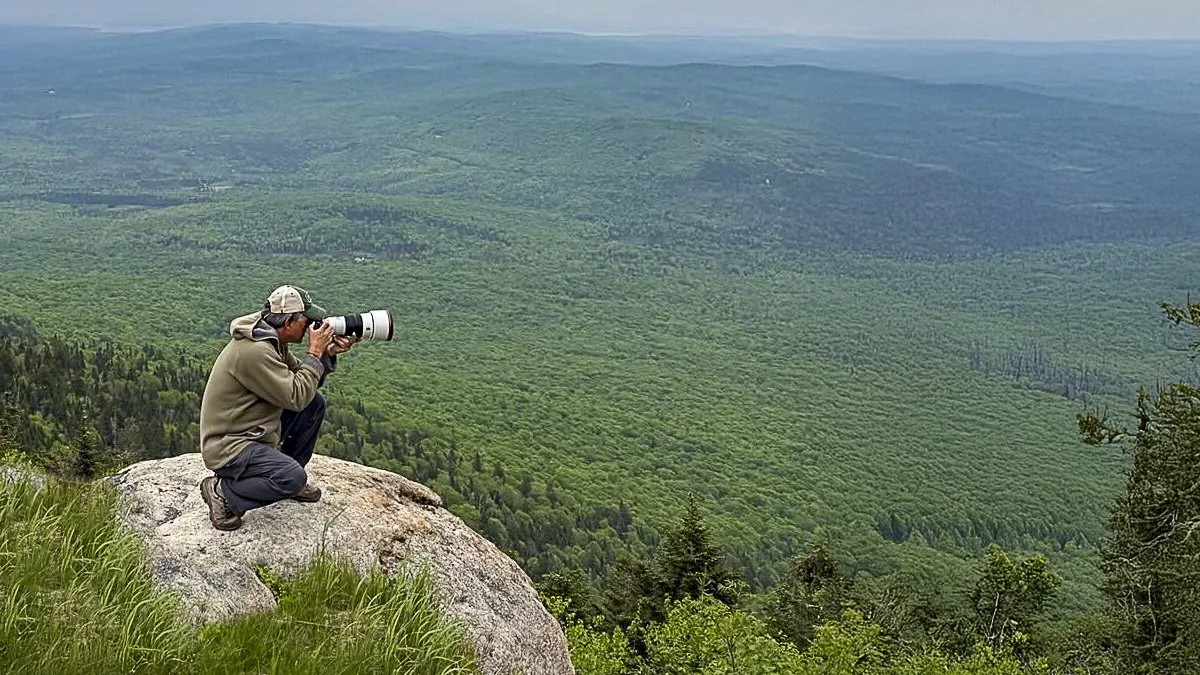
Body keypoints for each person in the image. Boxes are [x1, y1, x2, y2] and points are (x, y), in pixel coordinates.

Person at [198, 285, 357, 531]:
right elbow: (295, 396)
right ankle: (222, 492)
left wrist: (325, 355)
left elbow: (304, 386)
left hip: (251, 432)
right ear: (288, 322)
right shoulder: (254, 351)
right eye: (306, 322)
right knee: (292, 478)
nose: (310, 328)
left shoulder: (272, 339)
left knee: (314, 405)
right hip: (230, 446)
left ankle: (285, 473)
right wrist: (314, 353)